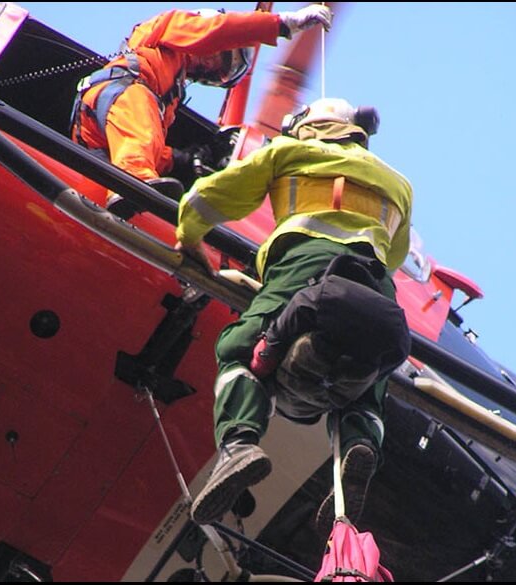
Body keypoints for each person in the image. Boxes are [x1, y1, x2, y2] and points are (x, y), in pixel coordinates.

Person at [175, 97, 414, 535]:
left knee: (239, 348)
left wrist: (189, 234)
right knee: (367, 378)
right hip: (378, 284)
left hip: (305, 263)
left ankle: (240, 444)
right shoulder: (399, 185)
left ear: (307, 125)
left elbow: (209, 198)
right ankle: (358, 448)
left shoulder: (290, 152)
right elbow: (395, 254)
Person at [69, 5, 332, 219]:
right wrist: (282, 24)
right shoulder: (169, 28)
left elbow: (146, 146)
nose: (208, 66)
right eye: (221, 58)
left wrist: (183, 159)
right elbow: (214, 31)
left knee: (92, 199)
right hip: (119, 94)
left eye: (216, 74)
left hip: (97, 125)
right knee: (140, 130)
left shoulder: (165, 99)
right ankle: (133, 183)